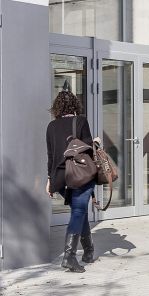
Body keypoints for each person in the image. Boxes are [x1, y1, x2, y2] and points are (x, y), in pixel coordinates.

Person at [47, 88, 97, 272]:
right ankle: (69, 256)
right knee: (78, 211)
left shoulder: (51, 127)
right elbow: (89, 149)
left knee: (80, 211)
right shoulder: (81, 121)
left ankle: (89, 252)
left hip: (60, 178)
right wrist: (97, 142)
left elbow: (51, 157)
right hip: (80, 174)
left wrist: (50, 180)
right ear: (75, 104)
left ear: (57, 107)